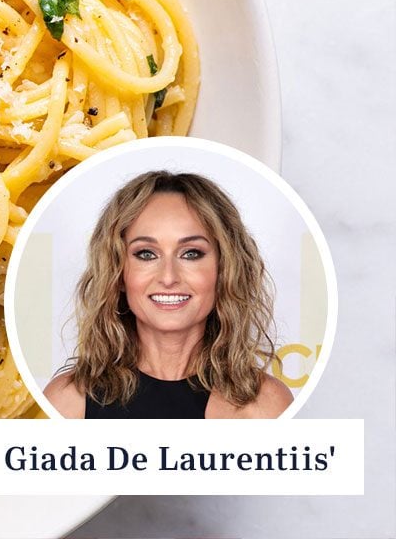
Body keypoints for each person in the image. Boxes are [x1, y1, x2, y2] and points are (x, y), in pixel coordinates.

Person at [43, 171, 292, 419]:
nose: (169, 277)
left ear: (225, 270)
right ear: (118, 273)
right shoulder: (66, 403)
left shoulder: (267, 407)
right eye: (146, 254)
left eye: (191, 253)